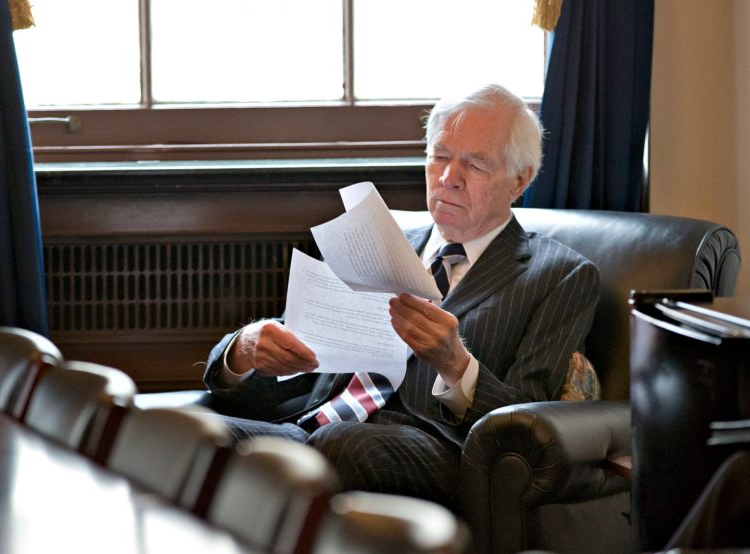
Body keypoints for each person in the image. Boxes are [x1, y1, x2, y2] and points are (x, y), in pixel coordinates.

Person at [203, 83, 600, 509]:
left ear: (519, 180)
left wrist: (456, 365)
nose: (449, 178)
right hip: (312, 430)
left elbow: (526, 426)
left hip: (443, 451)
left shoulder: (561, 274)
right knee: (174, 434)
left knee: (340, 445)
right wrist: (244, 352)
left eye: (476, 164)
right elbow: (289, 372)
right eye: (440, 157)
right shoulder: (371, 241)